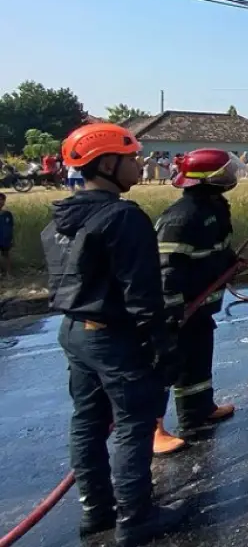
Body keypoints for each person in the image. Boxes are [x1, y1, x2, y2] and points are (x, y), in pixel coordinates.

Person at [42, 123, 184, 545]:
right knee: (133, 423)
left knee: (87, 421)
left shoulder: (61, 219)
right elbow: (141, 292)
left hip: (73, 332)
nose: (139, 164)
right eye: (131, 157)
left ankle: (96, 511)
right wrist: (161, 344)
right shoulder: (123, 217)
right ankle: (136, 518)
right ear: (107, 163)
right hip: (112, 336)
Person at [150, 149, 241, 455]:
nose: (231, 178)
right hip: (178, 310)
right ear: (208, 180)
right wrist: (172, 309)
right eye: (225, 173)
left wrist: (231, 262)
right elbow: (166, 268)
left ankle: (198, 409)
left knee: (198, 358)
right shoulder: (181, 217)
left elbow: (217, 248)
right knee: (166, 366)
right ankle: (153, 429)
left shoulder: (213, 208)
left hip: (201, 307)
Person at [0, 192, 12, 279]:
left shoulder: (7, 214)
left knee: (6, 255)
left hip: (5, 239)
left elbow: (11, 227)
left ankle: (8, 274)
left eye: (2, 200)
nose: (0, 202)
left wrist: (12, 239)